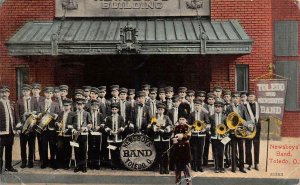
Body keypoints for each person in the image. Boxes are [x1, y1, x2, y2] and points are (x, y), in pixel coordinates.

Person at [226, 92, 251, 173]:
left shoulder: (242, 107)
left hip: (240, 131)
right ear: (232, 99)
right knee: (233, 150)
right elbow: (227, 119)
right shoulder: (229, 108)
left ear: (239, 99)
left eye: (237, 98)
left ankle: (241, 167)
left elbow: (247, 119)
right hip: (232, 132)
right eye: (234, 98)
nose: (235, 99)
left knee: (241, 149)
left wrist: (246, 127)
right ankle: (233, 167)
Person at [37, 87, 60, 169]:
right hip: (43, 128)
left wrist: (53, 115)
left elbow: (58, 115)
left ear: (52, 94)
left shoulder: (55, 104)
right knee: (43, 146)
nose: (48, 95)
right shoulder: (40, 103)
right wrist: (42, 114)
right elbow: (38, 114)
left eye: (50, 93)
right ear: (44, 94)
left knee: (53, 145)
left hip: (52, 128)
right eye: (47, 93)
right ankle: (45, 162)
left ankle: (53, 162)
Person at [15, 84, 37, 168]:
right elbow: (16, 114)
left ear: (30, 91)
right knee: (23, 145)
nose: (25, 92)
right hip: (23, 126)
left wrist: (34, 113)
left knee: (31, 145)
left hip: (32, 126)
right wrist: (18, 126)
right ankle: (23, 162)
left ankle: (30, 161)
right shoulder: (19, 101)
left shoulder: (34, 101)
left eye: (27, 91)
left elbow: (37, 110)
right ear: (22, 92)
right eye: (24, 91)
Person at [147, 103, 172, 174]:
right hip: (157, 138)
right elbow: (151, 125)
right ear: (157, 110)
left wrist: (167, 128)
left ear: (164, 110)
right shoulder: (154, 117)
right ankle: (161, 168)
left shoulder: (166, 117)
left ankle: (166, 168)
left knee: (166, 153)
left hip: (165, 138)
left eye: (161, 109)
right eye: (159, 109)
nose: (160, 111)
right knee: (159, 153)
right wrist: (154, 127)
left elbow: (171, 125)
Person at [188, 99, 210, 172]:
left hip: (201, 135)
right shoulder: (191, 114)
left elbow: (208, 123)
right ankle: (194, 166)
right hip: (194, 135)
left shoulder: (204, 114)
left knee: (200, 151)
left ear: (201, 106)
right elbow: (189, 124)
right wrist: (191, 129)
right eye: (195, 105)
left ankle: (200, 166)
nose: (196, 107)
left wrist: (204, 129)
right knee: (194, 150)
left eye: (198, 105)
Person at [0, 86, 18, 174]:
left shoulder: (12, 103)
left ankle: (8, 166)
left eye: (6, 92)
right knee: (0, 151)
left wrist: (16, 128)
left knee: (9, 149)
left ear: (9, 93)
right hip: (1, 132)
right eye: (2, 92)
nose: (4, 94)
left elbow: (15, 116)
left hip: (11, 131)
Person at [172, 114, 192, 185]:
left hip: (185, 148)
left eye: (183, 119)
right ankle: (178, 182)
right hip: (177, 148)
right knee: (177, 167)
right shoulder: (176, 127)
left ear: (186, 120)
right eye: (180, 119)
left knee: (185, 166)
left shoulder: (188, 127)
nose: (181, 121)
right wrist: (174, 139)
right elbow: (174, 135)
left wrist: (180, 136)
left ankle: (188, 182)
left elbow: (188, 137)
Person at [73, 98, 91, 173]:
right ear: (76, 105)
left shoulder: (87, 113)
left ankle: (84, 166)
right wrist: (74, 130)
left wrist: (86, 128)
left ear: (83, 105)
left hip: (84, 134)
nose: (79, 106)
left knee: (83, 150)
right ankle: (77, 166)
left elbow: (90, 124)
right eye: (78, 104)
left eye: (81, 104)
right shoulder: (73, 113)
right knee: (77, 150)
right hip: (76, 134)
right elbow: (70, 124)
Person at [105, 103, 125, 170]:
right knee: (112, 150)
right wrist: (110, 132)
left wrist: (118, 131)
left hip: (118, 137)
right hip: (111, 137)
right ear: (111, 110)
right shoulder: (108, 117)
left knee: (117, 150)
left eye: (115, 109)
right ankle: (113, 164)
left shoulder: (120, 117)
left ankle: (118, 164)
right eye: (113, 109)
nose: (114, 110)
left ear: (118, 110)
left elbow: (123, 126)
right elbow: (106, 126)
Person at [55, 98, 74, 170]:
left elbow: (74, 124)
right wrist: (58, 124)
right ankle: (59, 164)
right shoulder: (61, 113)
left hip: (68, 134)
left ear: (70, 106)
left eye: (67, 105)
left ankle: (66, 164)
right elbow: (56, 121)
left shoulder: (73, 114)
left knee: (67, 149)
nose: (66, 107)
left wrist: (68, 128)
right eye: (64, 105)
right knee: (59, 148)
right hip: (60, 134)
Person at [210, 100, 227, 173]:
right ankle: (216, 167)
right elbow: (210, 127)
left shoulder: (225, 117)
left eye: (219, 107)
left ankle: (221, 167)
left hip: (222, 137)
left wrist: (225, 134)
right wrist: (210, 133)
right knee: (215, 152)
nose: (217, 108)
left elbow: (227, 127)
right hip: (214, 136)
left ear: (222, 108)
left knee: (221, 152)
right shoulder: (211, 117)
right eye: (216, 107)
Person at [245, 91, 261, 171]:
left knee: (256, 146)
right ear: (247, 97)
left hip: (257, 127)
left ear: (255, 97)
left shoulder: (258, 105)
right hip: (248, 127)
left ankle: (256, 163)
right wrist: (247, 126)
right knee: (248, 146)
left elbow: (260, 116)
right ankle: (249, 164)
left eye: (252, 96)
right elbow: (243, 117)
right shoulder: (244, 105)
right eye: (249, 96)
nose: (251, 97)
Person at [87, 100, 105, 170]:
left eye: (96, 107)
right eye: (93, 106)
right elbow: (86, 122)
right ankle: (90, 163)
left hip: (98, 133)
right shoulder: (89, 114)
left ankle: (97, 163)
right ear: (91, 107)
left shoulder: (100, 114)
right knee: (90, 147)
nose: (94, 108)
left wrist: (100, 126)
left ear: (98, 107)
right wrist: (88, 126)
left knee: (97, 148)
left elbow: (103, 122)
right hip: (90, 133)